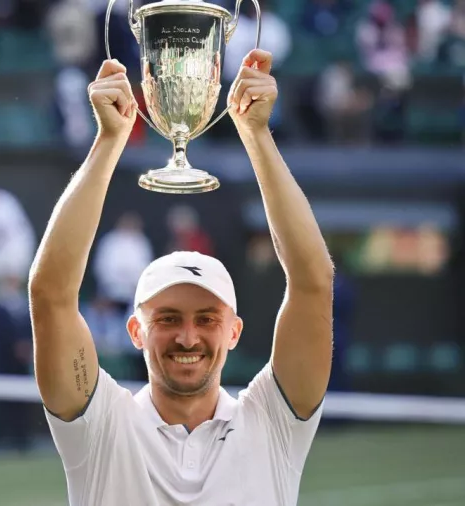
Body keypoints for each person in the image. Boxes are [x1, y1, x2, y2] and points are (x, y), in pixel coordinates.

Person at [28, 49, 334, 506]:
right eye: (168, 318)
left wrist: (256, 134)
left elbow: (313, 282)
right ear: (136, 330)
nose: (188, 337)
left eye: (207, 318)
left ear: (234, 330)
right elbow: (51, 293)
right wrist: (109, 140)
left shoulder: (272, 422)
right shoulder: (102, 426)